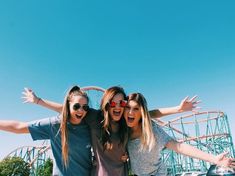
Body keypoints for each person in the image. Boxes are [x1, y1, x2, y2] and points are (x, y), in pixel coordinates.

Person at [22, 86, 200, 176]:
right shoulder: (95, 118)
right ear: (107, 104)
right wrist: (38, 101)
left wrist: (177, 109)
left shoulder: (125, 121)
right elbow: (69, 109)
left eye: (122, 103)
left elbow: (147, 114)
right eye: (113, 103)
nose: (118, 107)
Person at [124, 92, 235, 176]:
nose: (130, 112)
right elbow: (154, 112)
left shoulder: (152, 130)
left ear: (141, 112)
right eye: (128, 108)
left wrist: (213, 158)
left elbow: (179, 146)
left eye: (136, 109)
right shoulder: (123, 129)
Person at [0, 86, 92, 176]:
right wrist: (37, 101)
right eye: (76, 106)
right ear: (68, 106)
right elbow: (18, 127)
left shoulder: (90, 125)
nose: (81, 110)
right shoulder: (55, 125)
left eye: (85, 107)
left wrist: (38, 101)